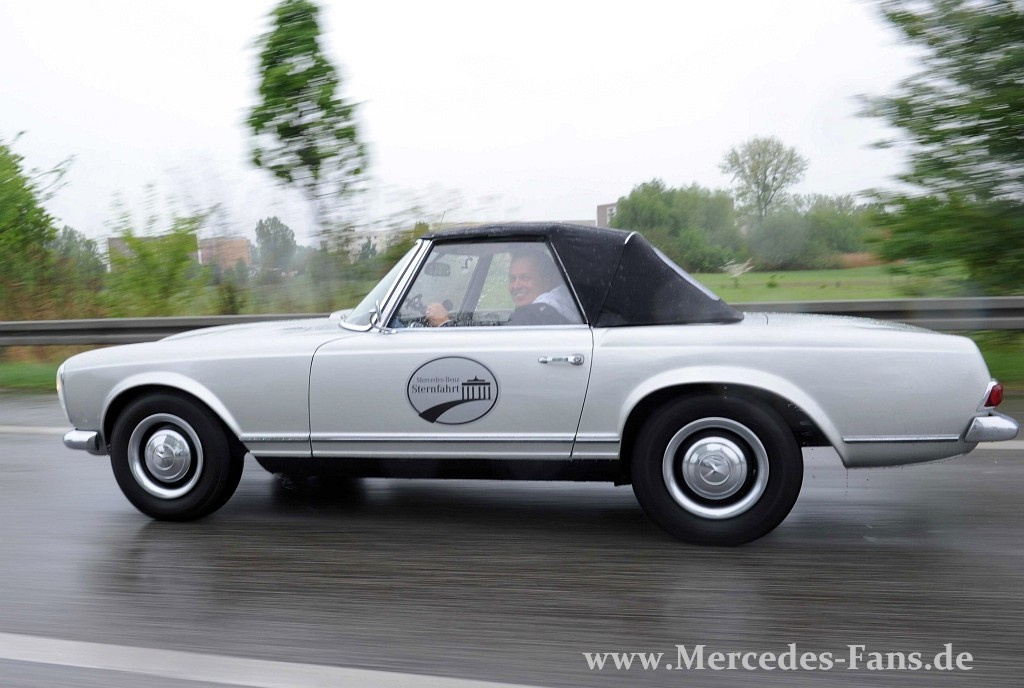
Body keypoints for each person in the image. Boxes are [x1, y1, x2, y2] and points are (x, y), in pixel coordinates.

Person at [423, 249, 578, 326]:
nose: (516, 286)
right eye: (512, 279)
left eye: (525, 278)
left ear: (547, 280)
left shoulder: (536, 314)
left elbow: (487, 351)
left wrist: (444, 323)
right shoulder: (565, 306)